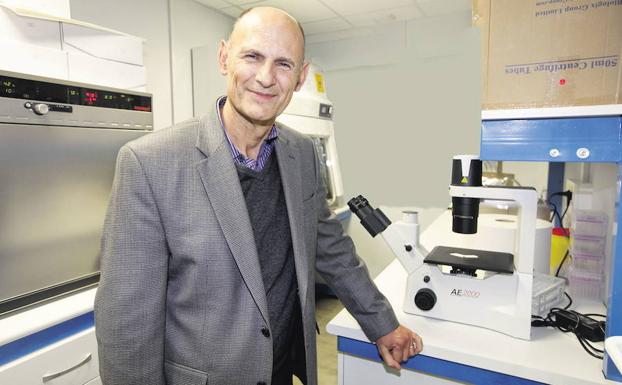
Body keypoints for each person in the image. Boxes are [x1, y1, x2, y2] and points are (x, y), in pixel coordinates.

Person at [95, 6, 422, 385]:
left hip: (280, 371)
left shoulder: (300, 155)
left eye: (283, 64)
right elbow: (127, 322)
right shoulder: (150, 163)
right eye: (252, 56)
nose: (266, 78)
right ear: (224, 58)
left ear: (300, 78)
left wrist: (383, 323)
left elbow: (332, 251)